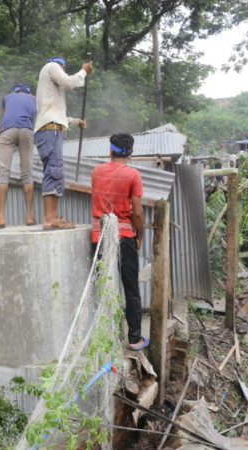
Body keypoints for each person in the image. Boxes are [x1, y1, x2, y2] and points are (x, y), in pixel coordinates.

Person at [90, 133, 148, 350]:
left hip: (99, 237)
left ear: (110, 150)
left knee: (104, 288)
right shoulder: (133, 175)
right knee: (131, 289)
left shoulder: (96, 172)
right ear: (131, 152)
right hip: (124, 238)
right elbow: (138, 213)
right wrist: (139, 236)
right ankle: (134, 339)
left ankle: (107, 340)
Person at [34, 56, 92, 230]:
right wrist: (84, 71)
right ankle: (49, 219)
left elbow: (58, 116)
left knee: (54, 171)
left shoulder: (47, 89)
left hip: (50, 130)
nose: (63, 70)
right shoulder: (51, 66)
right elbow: (69, 82)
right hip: (50, 131)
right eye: (63, 68)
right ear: (60, 66)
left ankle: (54, 217)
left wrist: (76, 122)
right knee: (54, 171)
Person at [0, 80, 37, 228]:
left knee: (3, 172)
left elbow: (5, 114)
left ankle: (1, 218)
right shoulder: (34, 99)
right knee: (27, 173)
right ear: (29, 91)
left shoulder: (7, 97)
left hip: (7, 129)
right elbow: (34, 116)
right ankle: (29, 217)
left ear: (15, 90)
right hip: (26, 129)